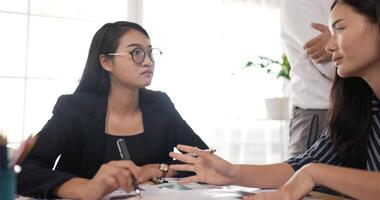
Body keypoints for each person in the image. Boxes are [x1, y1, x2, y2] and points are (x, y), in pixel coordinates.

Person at [170, 0, 380, 199]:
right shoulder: (360, 106)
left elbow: (310, 169)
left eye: (340, 29)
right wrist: (232, 173)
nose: (328, 46)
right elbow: (302, 165)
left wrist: (314, 173)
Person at [17, 21, 208, 199]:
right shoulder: (74, 108)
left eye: (150, 53)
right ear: (106, 62)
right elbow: (24, 170)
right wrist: (87, 189)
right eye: (136, 53)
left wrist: (157, 168)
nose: (148, 61)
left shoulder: (160, 104)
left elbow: (203, 156)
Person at [281, 0, 336, 157]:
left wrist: (339, 37)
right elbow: (334, 66)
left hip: (356, 109)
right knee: (306, 177)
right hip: (319, 115)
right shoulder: (299, 3)